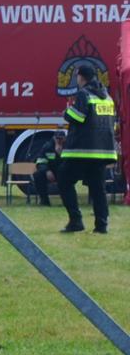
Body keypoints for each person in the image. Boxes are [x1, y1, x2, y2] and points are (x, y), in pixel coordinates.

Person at [58, 63, 117, 234]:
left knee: (64, 180)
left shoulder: (84, 94)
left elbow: (78, 116)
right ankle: (101, 225)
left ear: (81, 77)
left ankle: (76, 221)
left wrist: (67, 111)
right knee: (98, 189)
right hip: (102, 151)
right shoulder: (107, 97)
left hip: (82, 150)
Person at [31, 133, 66, 207]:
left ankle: (67, 200)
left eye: (61, 139)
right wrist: (46, 171)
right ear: (54, 138)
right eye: (57, 139)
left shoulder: (68, 146)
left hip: (64, 171)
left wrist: (60, 154)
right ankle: (44, 200)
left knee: (66, 177)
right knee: (38, 175)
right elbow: (40, 162)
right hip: (50, 171)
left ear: (65, 139)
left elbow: (70, 162)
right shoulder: (47, 147)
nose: (59, 140)